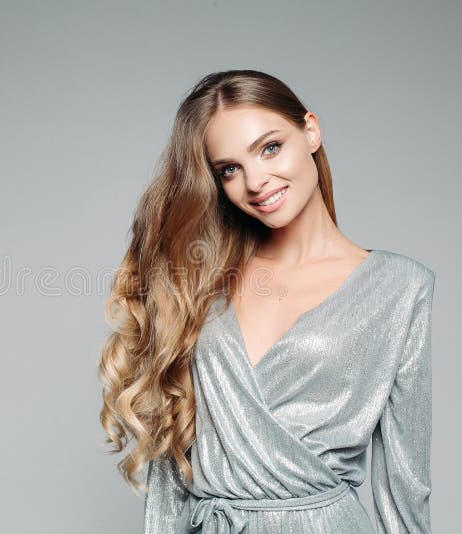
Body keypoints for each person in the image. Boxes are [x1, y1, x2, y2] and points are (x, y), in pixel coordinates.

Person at [98, 70, 435, 533]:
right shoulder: (200, 281)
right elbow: (171, 469)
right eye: (229, 169)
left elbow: (406, 484)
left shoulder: (399, 287)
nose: (255, 181)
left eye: (269, 147)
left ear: (310, 131)